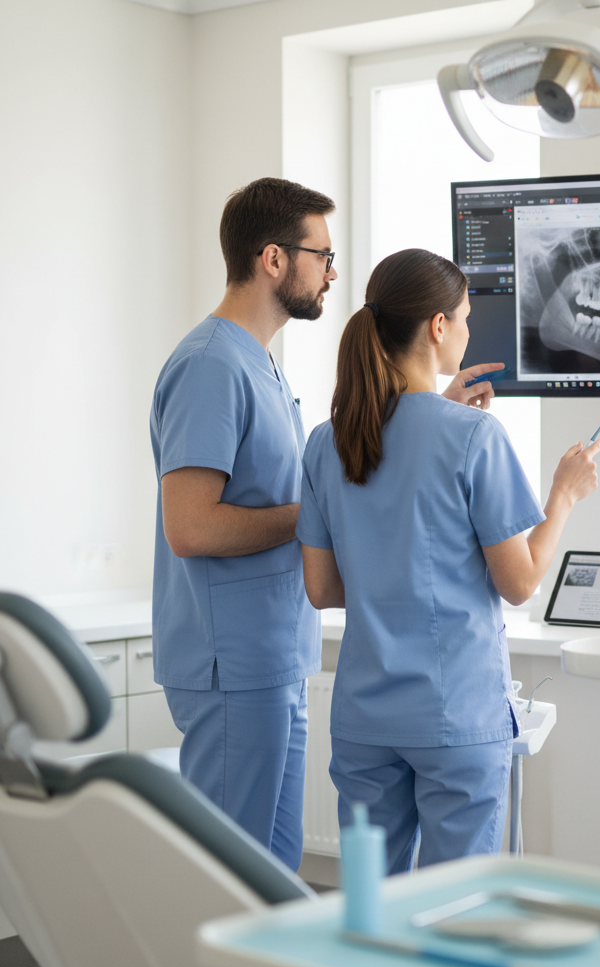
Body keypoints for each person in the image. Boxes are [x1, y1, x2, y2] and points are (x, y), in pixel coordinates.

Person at [297, 248, 600, 874]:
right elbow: (518, 582)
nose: (467, 331)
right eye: (463, 317)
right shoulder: (473, 437)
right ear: (437, 326)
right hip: (454, 717)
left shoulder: (329, 441)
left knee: (369, 907)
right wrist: (564, 497)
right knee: (456, 910)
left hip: (364, 720)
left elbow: (323, 589)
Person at [149, 177, 340, 869]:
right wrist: (313, 515)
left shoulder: (258, 362)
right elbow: (192, 528)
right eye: (322, 254)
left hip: (275, 658)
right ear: (274, 259)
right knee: (230, 882)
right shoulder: (210, 366)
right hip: (231, 665)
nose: (332, 271)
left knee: (273, 878)